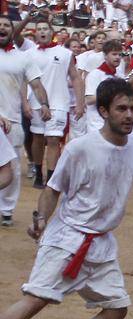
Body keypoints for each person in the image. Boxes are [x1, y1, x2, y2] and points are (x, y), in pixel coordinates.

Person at [0, 78, 133, 319]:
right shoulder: (80, 148)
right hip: (67, 238)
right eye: (121, 109)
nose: (129, 115)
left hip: (101, 244)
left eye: (132, 109)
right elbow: (52, 190)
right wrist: (40, 219)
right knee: (34, 300)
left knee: (116, 308)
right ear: (103, 111)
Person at [0, 13, 52, 227]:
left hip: (11, 119)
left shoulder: (23, 57)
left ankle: (6, 210)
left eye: (6, 25)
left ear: (13, 31)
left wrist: (45, 104)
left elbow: (37, 84)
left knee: (11, 166)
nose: (2, 28)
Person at [26, 19, 84, 191]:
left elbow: (75, 77)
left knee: (53, 139)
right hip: (35, 103)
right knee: (37, 138)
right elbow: (23, 80)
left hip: (59, 102)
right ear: (35, 33)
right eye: (39, 29)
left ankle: (51, 177)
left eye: (45, 29)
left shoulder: (65, 53)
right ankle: (37, 171)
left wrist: (80, 103)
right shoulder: (29, 54)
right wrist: (25, 103)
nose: (43, 31)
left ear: (52, 32)